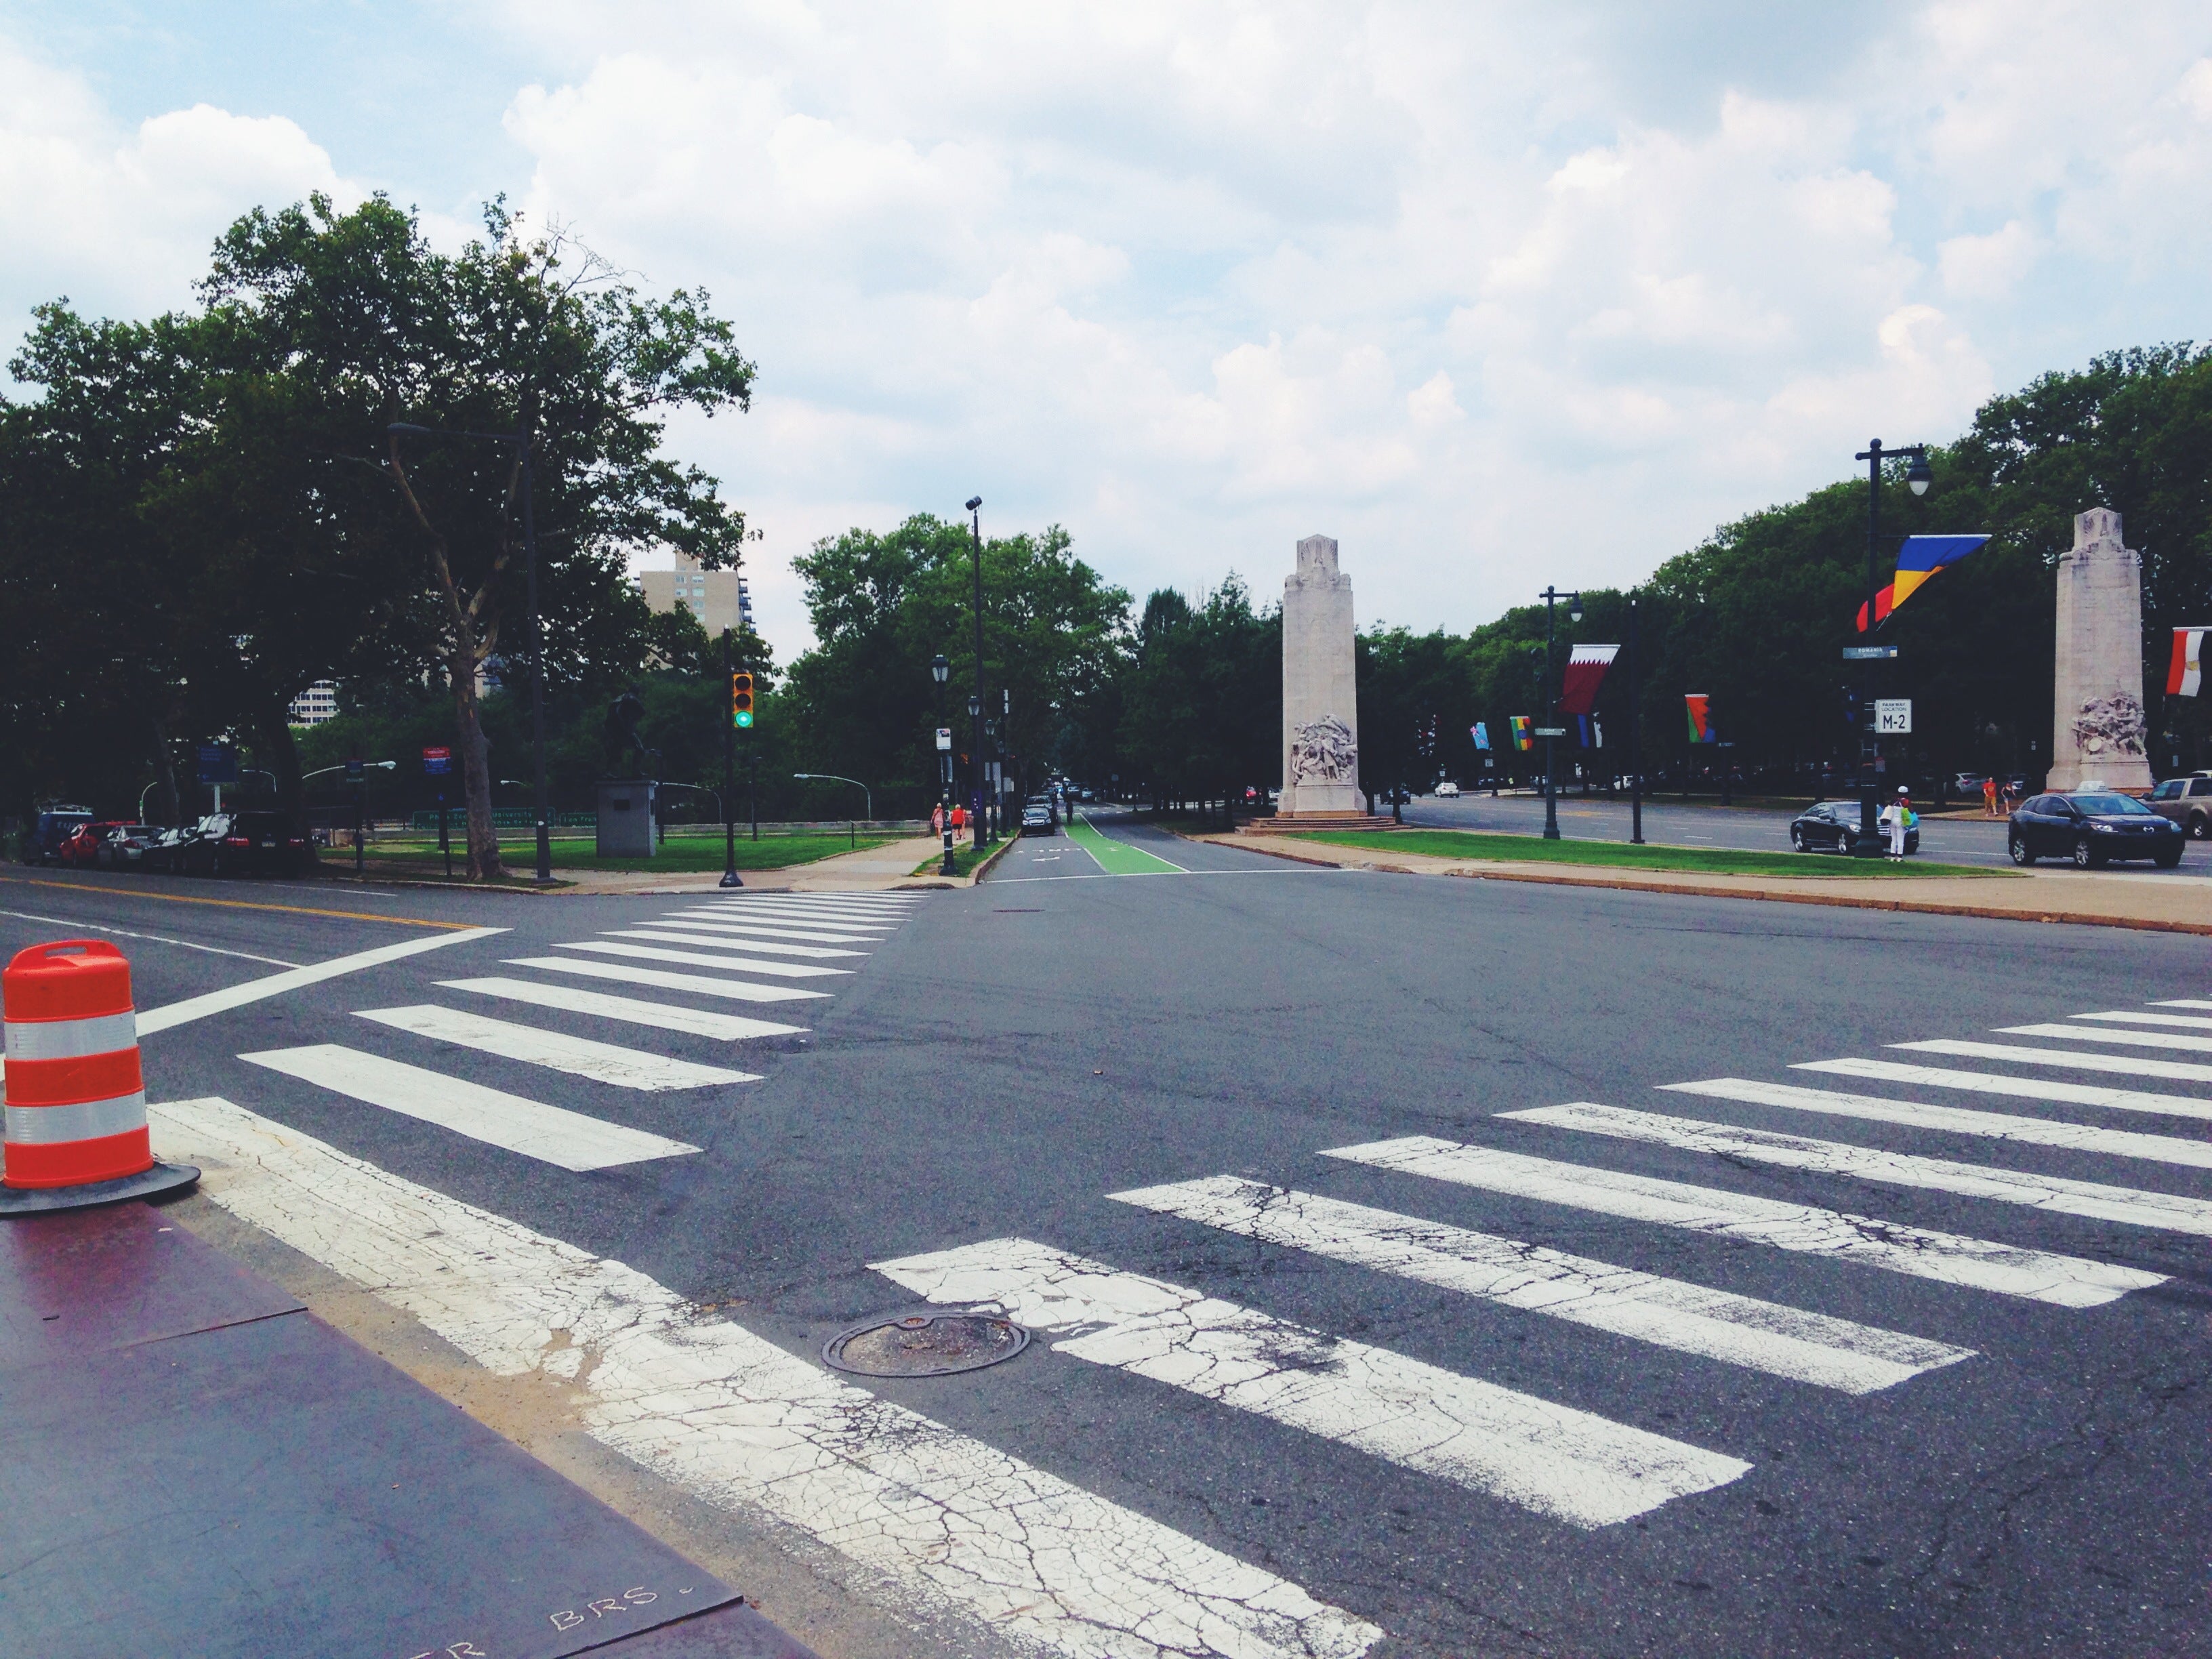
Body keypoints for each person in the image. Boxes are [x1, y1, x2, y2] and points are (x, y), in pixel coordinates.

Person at [1880, 785, 1912, 859]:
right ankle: (1900, 857)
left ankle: (1892, 857)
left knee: (1893, 839)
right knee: (1901, 839)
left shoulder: (1894, 800)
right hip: (1900, 821)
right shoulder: (1906, 801)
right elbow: (1911, 811)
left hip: (1892, 820)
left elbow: (1889, 808)